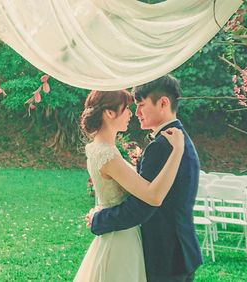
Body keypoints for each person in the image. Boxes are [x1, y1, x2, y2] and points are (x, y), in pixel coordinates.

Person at [86, 75, 202, 282]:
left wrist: (99, 219)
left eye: (140, 105)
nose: (136, 113)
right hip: (178, 250)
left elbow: (142, 206)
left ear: (163, 103)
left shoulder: (163, 146)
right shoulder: (178, 138)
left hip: (165, 254)